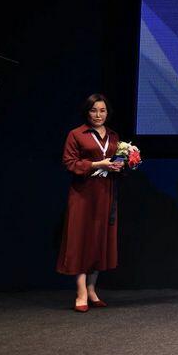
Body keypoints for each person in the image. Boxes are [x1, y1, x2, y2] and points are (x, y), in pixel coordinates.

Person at [57, 94, 125, 312]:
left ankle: (92, 288)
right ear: (87, 112)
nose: (98, 115)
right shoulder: (76, 134)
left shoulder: (113, 136)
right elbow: (69, 163)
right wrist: (97, 164)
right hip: (83, 194)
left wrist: (122, 164)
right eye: (93, 110)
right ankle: (81, 291)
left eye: (102, 110)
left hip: (105, 193)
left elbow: (115, 161)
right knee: (80, 240)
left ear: (107, 112)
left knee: (98, 241)